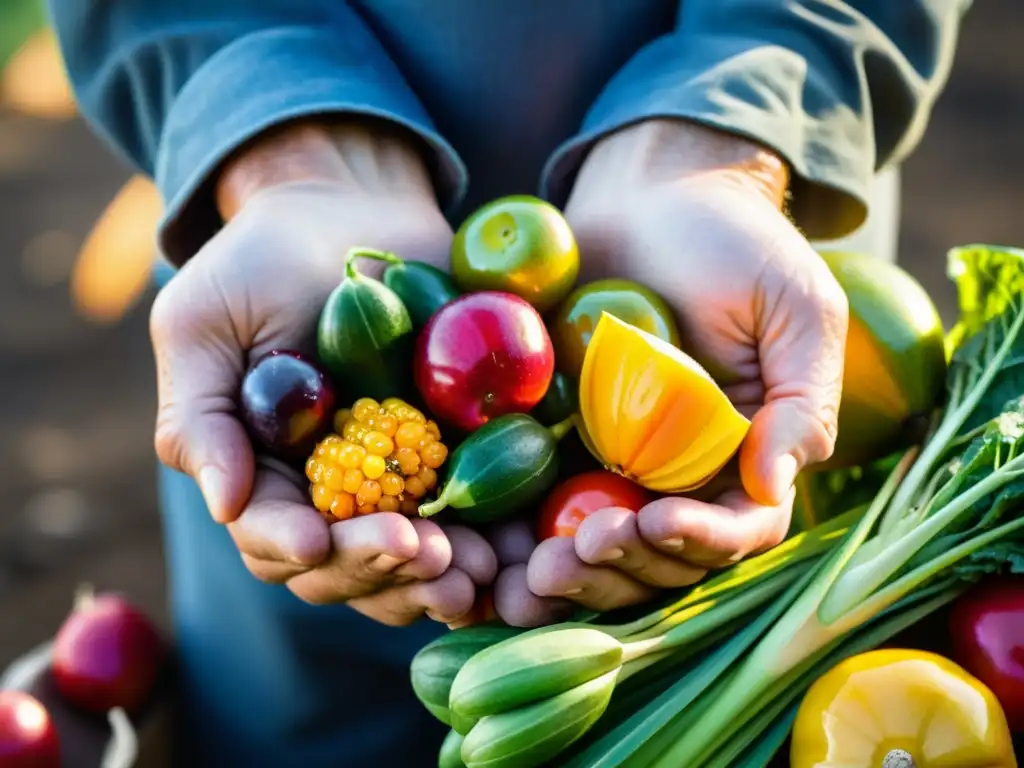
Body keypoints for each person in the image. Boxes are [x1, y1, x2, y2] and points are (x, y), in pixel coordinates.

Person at [47, 1, 969, 765]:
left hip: (726, 263)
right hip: (293, 264)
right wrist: (274, 135)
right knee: (298, 712)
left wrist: (736, 124)